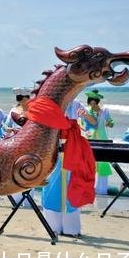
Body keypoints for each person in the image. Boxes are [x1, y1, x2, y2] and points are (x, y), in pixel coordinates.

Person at [41, 98, 87, 236]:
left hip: (71, 150)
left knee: (71, 186)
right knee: (52, 187)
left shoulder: (77, 105)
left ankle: (71, 228)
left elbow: (91, 122)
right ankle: (53, 226)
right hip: (53, 150)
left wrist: (84, 116)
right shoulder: (51, 104)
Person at [80, 89, 114, 195]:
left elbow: (111, 123)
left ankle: (101, 191)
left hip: (102, 140)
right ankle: (89, 191)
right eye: (91, 103)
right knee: (90, 166)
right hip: (90, 141)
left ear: (97, 102)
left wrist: (109, 123)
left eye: (94, 103)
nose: (92, 105)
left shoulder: (105, 111)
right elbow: (83, 125)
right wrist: (84, 129)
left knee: (103, 165)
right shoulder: (88, 112)